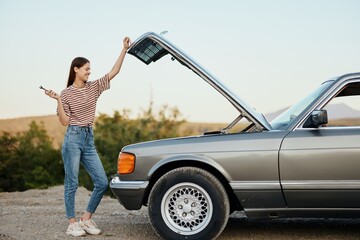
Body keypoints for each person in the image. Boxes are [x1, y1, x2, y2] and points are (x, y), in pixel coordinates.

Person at [45, 37, 131, 237]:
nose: (89, 72)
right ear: (76, 69)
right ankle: (72, 223)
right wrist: (58, 99)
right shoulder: (65, 94)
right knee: (72, 182)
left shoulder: (94, 88)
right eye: (86, 69)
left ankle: (86, 219)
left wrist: (124, 50)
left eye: (90, 69)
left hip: (88, 139)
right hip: (73, 138)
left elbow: (114, 72)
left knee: (101, 181)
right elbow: (65, 122)